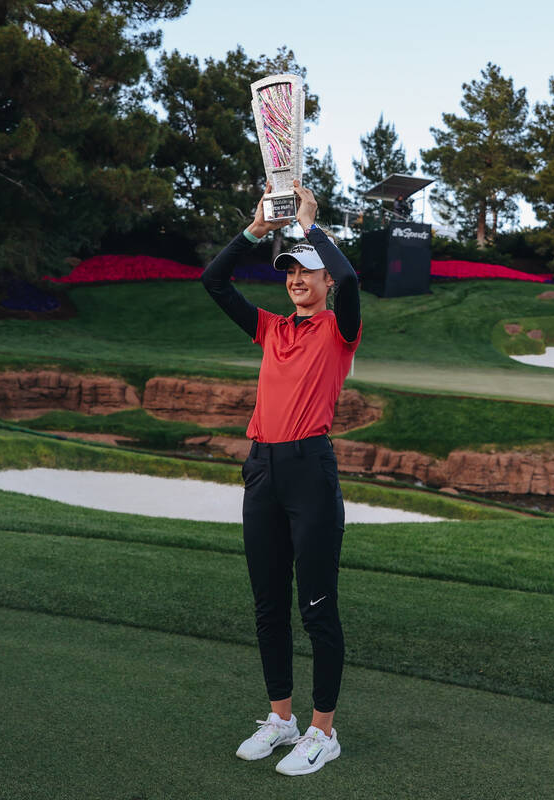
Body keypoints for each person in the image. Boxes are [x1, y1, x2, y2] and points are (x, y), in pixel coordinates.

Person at [200, 179, 361, 777]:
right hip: (263, 468)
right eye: (290, 270)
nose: (297, 278)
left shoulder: (339, 331)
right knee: (268, 605)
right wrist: (258, 230)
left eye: (307, 271)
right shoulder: (272, 328)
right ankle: (281, 720)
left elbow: (351, 282)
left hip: (310, 472)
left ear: (323, 282)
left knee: (316, 607)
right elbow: (214, 282)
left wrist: (313, 223)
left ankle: (323, 730)